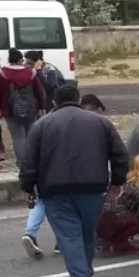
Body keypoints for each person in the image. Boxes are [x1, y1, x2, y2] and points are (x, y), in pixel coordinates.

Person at [20, 84, 129, 277]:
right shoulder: (101, 122)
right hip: (94, 187)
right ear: (78, 99)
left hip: (55, 189)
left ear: (54, 102)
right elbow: (120, 155)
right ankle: (85, 273)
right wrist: (116, 182)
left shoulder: (41, 125)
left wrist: (27, 187)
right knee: (87, 232)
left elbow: (29, 161)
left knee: (69, 235)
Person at [22, 94, 106, 259]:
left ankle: (30, 233)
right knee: (72, 214)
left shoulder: (44, 122)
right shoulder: (85, 122)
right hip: (73, 176)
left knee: (44, 203)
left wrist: (27, 184)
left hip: (48, 177)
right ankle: (63, 246)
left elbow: (30, 156)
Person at [0, 48, 46, 167]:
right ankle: (33, 161)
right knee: (30, 135)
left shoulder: (1, 73)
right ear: (21, 60)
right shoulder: (31, 72)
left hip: (10, 110)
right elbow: (39, 91)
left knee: (18, 137)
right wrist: (42, 106)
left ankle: (22, 163)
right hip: (31, 109)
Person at [95, 154, 139, 255]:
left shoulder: (126, 181)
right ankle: (119, 241)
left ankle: (115, 241)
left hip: (103, 221)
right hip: (112, 223)